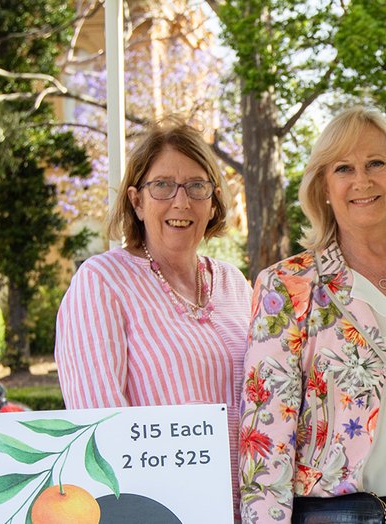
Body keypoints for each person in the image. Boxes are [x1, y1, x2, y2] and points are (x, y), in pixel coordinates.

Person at [238, 107, 386, 524]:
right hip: (339, 515)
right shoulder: (288, 286)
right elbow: (267, 441)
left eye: (376, 163)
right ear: (324, 187)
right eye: (344, 168)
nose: (362, 180)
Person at [56, 121, 250, 487]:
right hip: (167, 508)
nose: (181, 201)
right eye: (162, 186)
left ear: (212, 203)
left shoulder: (235, 285)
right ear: (136, 201)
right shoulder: (102, 282)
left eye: (197, 186)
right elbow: (100, 432)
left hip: (254, 510)